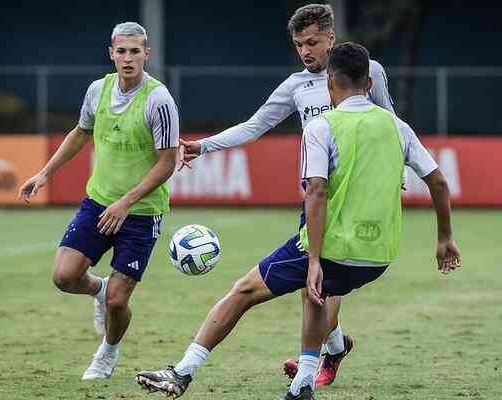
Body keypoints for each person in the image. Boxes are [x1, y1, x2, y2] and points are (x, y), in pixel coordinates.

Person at [135, 42, 460, 400]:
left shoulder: (321, 127)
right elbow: (439, 182)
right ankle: (306, 381)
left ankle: (181, 372)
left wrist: (316, 259)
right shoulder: (398, 127)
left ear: (330, 86)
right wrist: (444, 238)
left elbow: (316, 192)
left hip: (334, 246)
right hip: (379, 256)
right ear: (369, 84)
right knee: (317, 294)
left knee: (245, 291)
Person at [18, 22, 179, 380]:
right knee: (64, 276)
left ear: (146, 54)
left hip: (140, 212)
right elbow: (81, 132)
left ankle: (107, 352)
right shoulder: (97, 90)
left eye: (135, 51)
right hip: (98, 202)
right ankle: (99, 288)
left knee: (119, 301)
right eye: (121, 51)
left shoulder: (159, 100)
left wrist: (126, 202)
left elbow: (168, 163)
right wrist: (45, 173)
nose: (128, 58)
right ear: (111, 54)